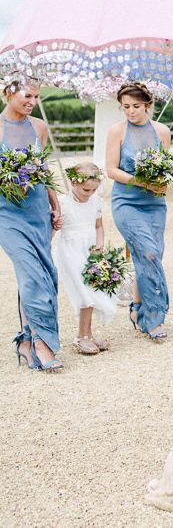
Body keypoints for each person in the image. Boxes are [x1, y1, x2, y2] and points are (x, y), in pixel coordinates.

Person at [0, 75, 64, 371]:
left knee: (42, 273)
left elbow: (43, 167)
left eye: (36, 97)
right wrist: (12, 180)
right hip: (7, 213)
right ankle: (42, 344)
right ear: (7, 92)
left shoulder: (39, 126)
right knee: (31, 273)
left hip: (37, 209)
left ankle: (26, 342)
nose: (32, 101)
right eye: (27, 95)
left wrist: (54, 200)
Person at [105, 82, 171, 341]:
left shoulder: (162, 132)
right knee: (148, 252)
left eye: (135, 106)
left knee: (153, 256)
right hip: (126, 203)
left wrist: (163, 181)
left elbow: (166, 167)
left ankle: (137, 307)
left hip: (155, 204)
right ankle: (154, 319)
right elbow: (111, 170)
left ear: (147, 105)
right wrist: (141, 181)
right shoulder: (116, 131)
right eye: (125, 107)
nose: (130, 112)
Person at [54, 162, 116, 355]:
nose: (89, 193)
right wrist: (56, 223)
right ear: (73, 182)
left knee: (91, 291)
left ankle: (87, 334)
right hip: (71, 250)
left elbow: (98, 226)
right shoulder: (63, 202)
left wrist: (99, 246)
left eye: (93, 189)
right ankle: (82, 336)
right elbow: (54, 228)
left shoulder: (96, 201)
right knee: (84, 292)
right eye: (85, 189)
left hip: (91, 250)